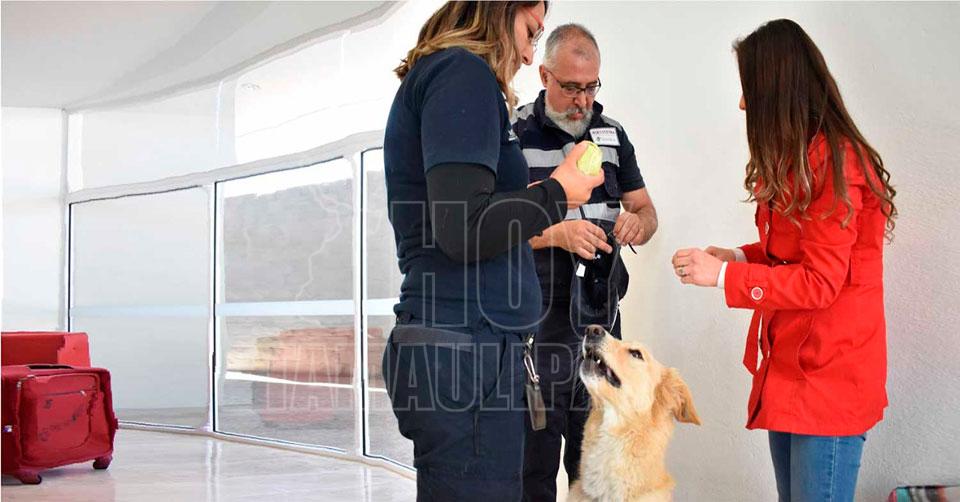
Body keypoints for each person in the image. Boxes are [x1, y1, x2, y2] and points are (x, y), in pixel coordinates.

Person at [380, 2, 605, 500]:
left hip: (466, 344)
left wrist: (542, 196)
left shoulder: (446, 76)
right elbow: (463, 228)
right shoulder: (462, 73)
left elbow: (465, 216)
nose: (527, 55)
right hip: (466, 348)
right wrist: (558, 193)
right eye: (530, 31)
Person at [671, 19, 896, 502]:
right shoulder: (800, 160)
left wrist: (725, 276)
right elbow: (791, 253)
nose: (742, 103)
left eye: (749, 89)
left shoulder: (838, 163)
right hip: (792, 368)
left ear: (777, 89)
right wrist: (736, 255)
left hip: (828, 377)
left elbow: (820, 281)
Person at [513, 23, 658, 501]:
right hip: (534, 330)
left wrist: (638, 223)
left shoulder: (613, 135)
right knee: (532, 471)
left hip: (600, 326)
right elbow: (492, 228)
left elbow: (646, 210)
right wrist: (557, 234)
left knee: (595, 468)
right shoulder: (512, 133)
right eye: (571, 88)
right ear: (544, 76)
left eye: (591, 87)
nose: (582, 101)